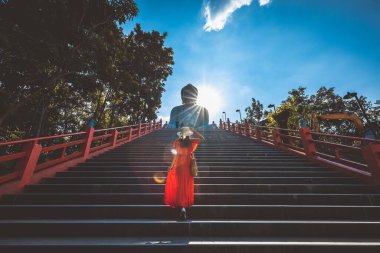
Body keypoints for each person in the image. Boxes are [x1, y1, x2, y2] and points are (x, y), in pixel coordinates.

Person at [164, 126, 205, 220]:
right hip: (187, 165)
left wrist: (171, 165)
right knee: (186, 185)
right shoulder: (191, 142)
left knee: (179, 185)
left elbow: (176, 155)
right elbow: (203, 138)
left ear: (181, 134)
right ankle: (183, 207)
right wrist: (194, 130)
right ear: (189, 134)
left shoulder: (178, 142)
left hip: (179, 165)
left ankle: (181, 206)